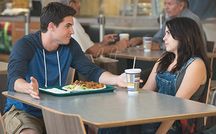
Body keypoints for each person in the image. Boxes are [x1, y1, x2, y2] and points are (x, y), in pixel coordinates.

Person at [2, 2, 126, 134]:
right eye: (68, 26)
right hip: (24, 111)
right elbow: (14, 78)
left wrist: (117, 79)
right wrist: (28, 88)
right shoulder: (25, 45)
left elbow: (92, 71)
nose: (72, 31)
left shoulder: (70, 46)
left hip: (57, 110)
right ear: (51, 26)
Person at [140, 17, 210, 134]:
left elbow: (177, 106)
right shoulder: (165, 59)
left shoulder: (195, 64)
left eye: (168, 33)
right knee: (117, 124)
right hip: (157, 115)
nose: (163, 38)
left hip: (178, 124)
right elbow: (146, 91)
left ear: (184, 36)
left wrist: (161, 132)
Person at [42, 0, 129, 58]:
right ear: (71, 4)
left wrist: (102, 43)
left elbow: (87, 49)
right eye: (78, 2)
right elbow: (92, 51)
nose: (80, 5)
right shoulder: (72, 22)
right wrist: (118, 46)